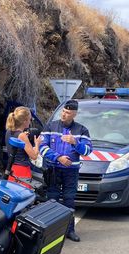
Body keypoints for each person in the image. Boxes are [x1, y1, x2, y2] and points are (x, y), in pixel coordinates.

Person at [39, 99, 92, 242]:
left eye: (68, 112)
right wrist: (58, 158)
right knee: (52, 200)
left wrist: (76, 143)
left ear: (74, 114)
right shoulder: (50, 126)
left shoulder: (81, 130)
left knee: (69, 201)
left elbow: (88, 151)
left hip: (71, 172)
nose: (64, 114)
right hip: (53, 169)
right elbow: (42, 147)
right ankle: (49, 233)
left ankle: (70, 231)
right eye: (63, 111)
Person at [4, 106, 42, 188]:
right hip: (22, 170)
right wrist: (37, 144)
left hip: (11, 168)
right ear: (24, 121)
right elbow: (34, 156)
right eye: (29, 119)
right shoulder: (22, 136)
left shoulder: (8, 131)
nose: (30, 122)